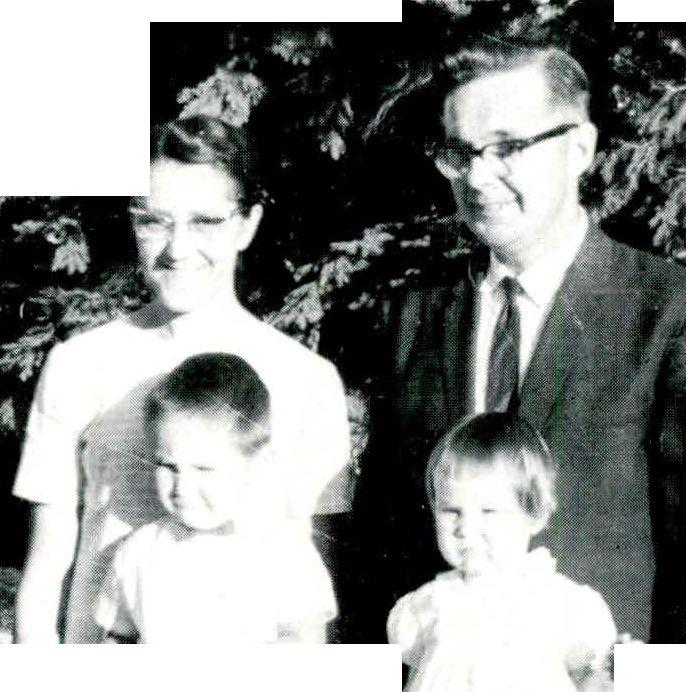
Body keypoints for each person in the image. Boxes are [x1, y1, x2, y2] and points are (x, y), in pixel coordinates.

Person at [355, 43, 686, 642]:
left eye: (506, 148)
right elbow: (381, 548)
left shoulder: (666, 310)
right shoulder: (410, 320)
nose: (478, 177)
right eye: (459, 153)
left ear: (579, 148)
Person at [13, 115, 351, 643]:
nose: (177, 248)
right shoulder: (78, 364)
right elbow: (45, 570)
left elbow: (315, 601)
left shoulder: (308, 381)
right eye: (154, 221)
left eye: (206, 222)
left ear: (248, 224)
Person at [95, 353, 336, 643]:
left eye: (203, 469)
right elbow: (119, 637)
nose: (182, 487)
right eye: (168, 466)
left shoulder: (284, 552)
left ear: (256, 464)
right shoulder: (138, 551)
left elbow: (306, 641)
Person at [388, 413, 617, 692]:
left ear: (535, 515)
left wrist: (599, 678)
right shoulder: (426, 606)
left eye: (488, 511)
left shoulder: (563, 604)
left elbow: (591, 678)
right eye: (451, 511)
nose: (466, 528)